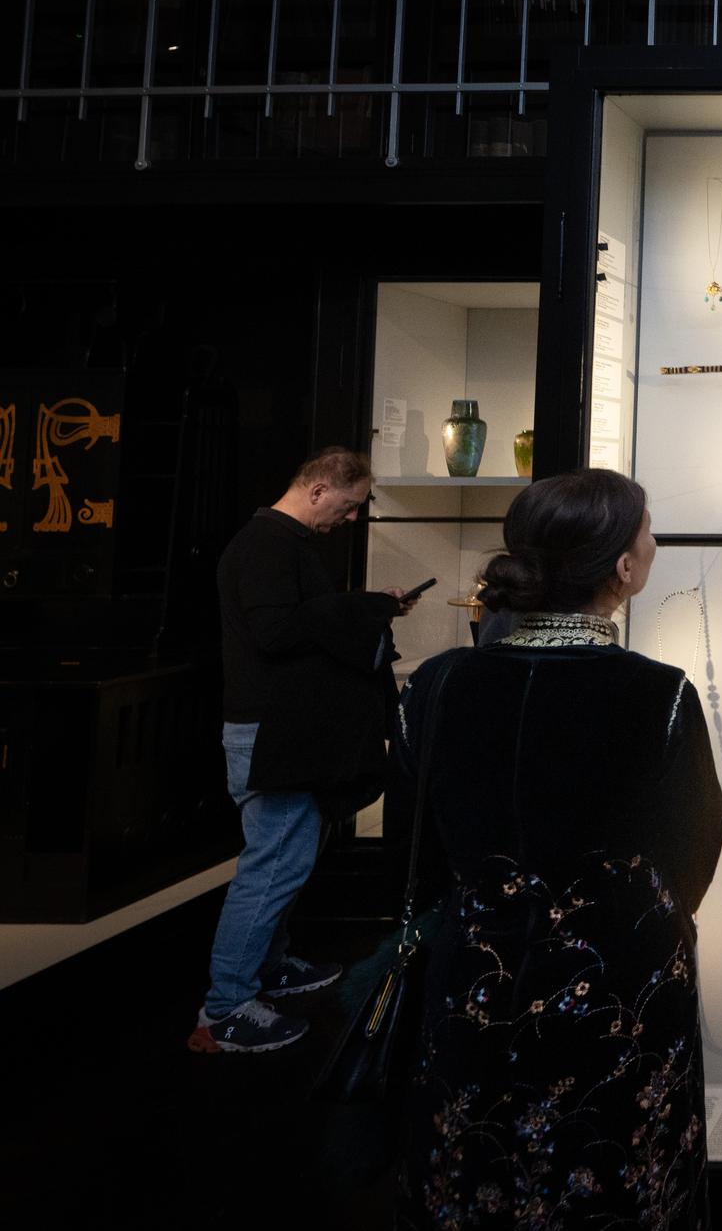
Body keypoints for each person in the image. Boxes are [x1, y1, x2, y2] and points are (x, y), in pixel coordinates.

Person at [393, 469, 722, 1229]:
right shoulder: (660, 694)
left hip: (473, 966)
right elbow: (692, 857)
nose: (654, 542)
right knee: (616, 1178)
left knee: (473, 1171)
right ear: (624, 568)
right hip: (619, 984)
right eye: (647, 530)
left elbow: (410, 849)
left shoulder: (438, 683)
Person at [190, 447, 419, 1054]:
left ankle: (268, 968)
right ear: (318, 490)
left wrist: (368, 605)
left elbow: (300, 621)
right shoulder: (267, 546)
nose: (351, 519)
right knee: (271, 868)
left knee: (285, 859)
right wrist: (365, 606)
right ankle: (224, 1010)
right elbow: (277, 633)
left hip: (283, 732)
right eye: (349, 506)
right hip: (270, 735)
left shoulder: (281, 545)